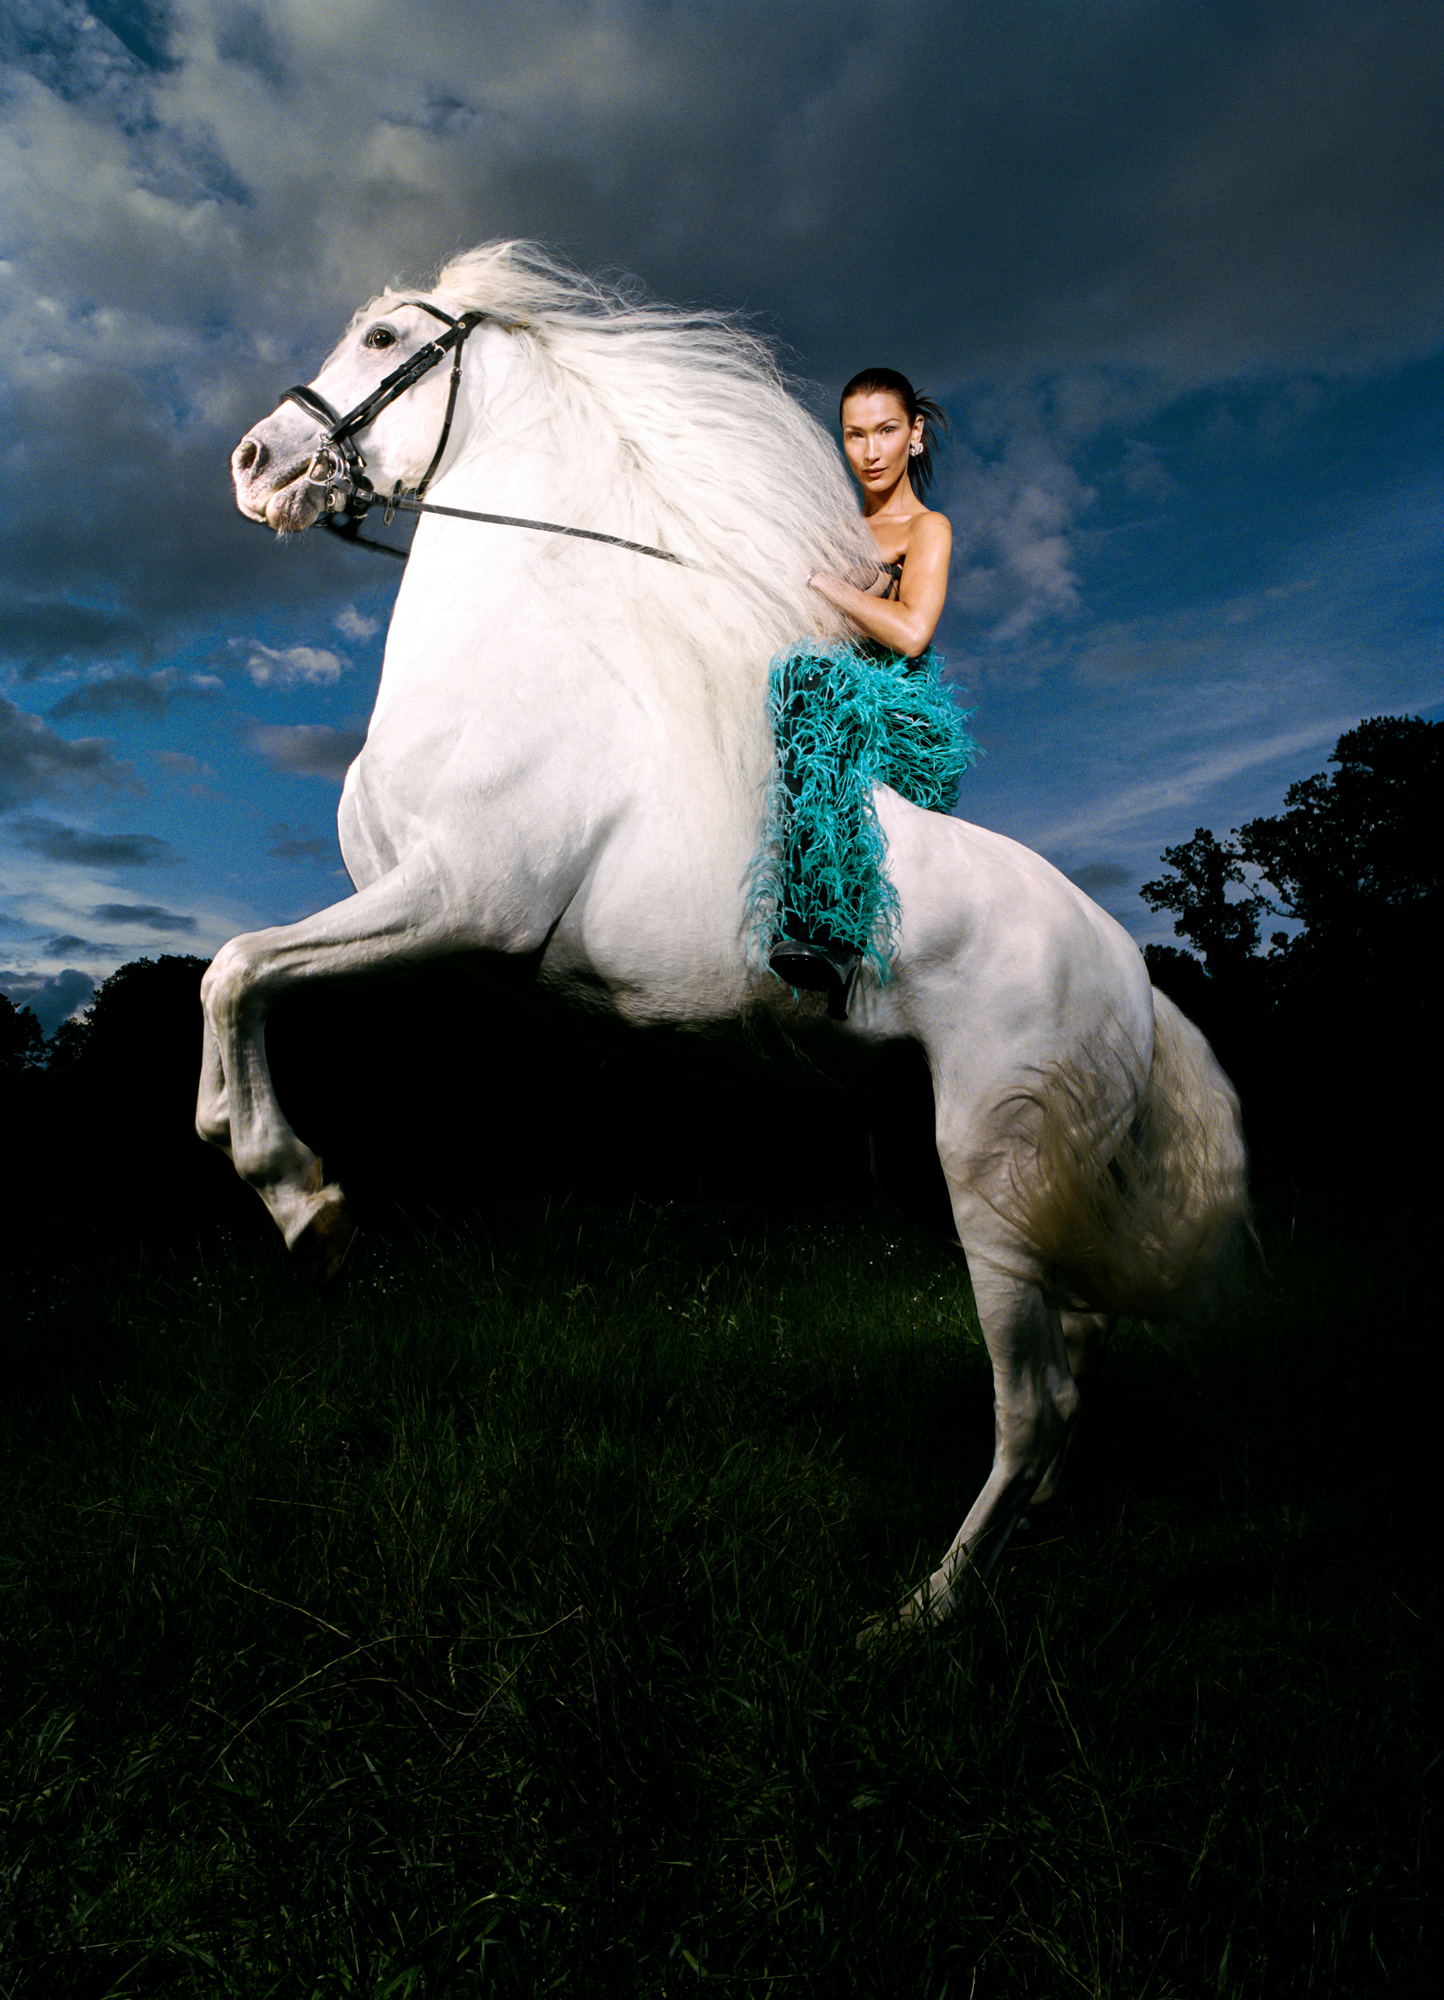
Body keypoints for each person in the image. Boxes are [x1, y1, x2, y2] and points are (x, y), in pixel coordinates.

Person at [758, 368, 977, 1019]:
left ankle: (826, 932)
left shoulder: (927, 528)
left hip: (893, 710)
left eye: (886, 430)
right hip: (814, 696)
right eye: (855, 435)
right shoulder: (830, 532)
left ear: (914, 433)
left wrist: (824, 582)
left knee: (808, 679)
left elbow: (912, 632)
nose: (871, 451)